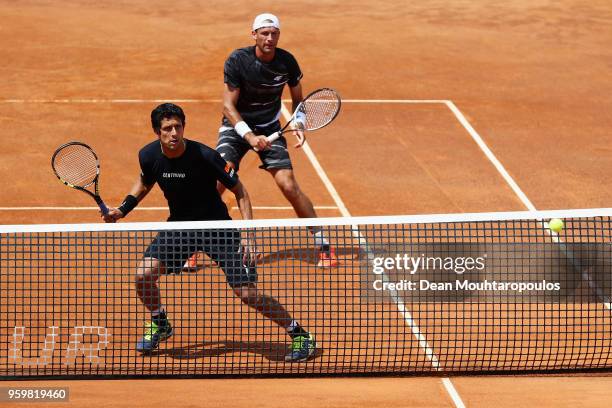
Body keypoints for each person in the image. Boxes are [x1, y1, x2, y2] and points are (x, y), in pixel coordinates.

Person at [102, 103, 316, 362]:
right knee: (143, 276)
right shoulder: (148, 155)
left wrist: (248, 235)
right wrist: (123, 209)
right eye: (167, 128)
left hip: (218, 229)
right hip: (181, 227)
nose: (173, 133)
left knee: (247, 294)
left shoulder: (205, 156)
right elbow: (145, 181)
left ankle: (300, 334)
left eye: (177, 127)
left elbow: (240, 191)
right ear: (156, 132)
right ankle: (160, 322)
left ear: (184, 127)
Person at [213, 13, 338, 268]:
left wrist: (299, 122)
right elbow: (228, 106)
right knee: (218, 182)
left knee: (289, 185)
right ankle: (190, 242)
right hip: (236, 128)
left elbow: (298, 99)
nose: (270, 38)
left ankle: (323, 242)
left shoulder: (287, 62)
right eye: (264, 33)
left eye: (274, 33)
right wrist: (249, 135)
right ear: (254, 35)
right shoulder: (238, 60)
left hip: (270, 126)